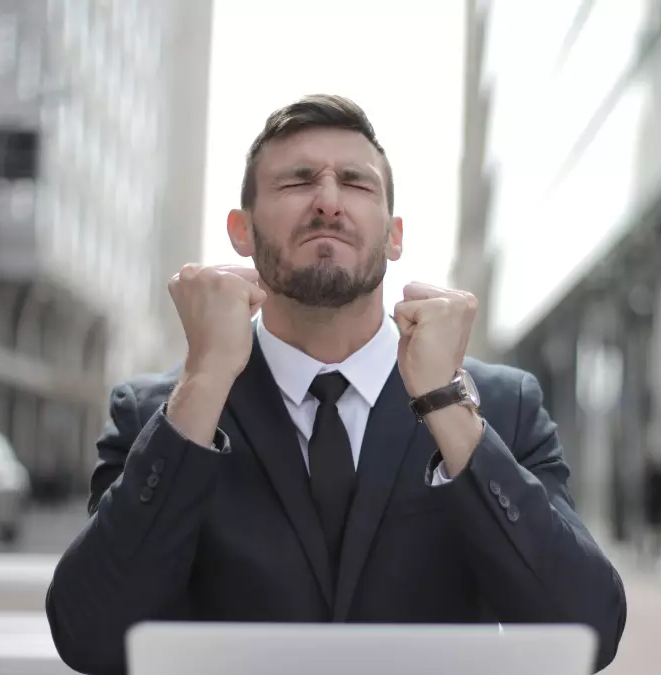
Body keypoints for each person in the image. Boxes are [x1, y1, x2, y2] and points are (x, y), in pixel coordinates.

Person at [46, 94, 627, 674]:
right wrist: (204, 380)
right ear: (240, 230)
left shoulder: (502, 406)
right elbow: (91, 636)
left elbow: (586, 633)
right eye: (297, 182)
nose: (328, 202)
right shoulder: (159, 414)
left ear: (395, 235)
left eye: (355, 183)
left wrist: (444, 402)